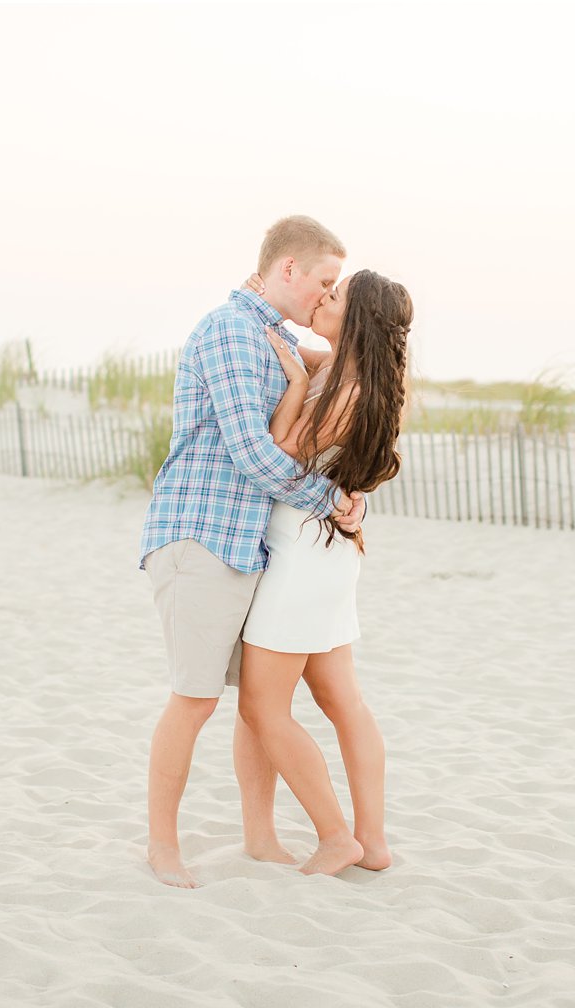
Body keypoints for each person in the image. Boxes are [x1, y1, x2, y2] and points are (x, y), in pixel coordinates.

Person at [138, 215, 367, 889]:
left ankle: (260, 836)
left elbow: (354, 363)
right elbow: (251, 453)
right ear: (288, 270)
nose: (325, 297)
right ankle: (162, 846)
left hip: (244, 544)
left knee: (244, 701)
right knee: (193, 699)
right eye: (322, 282)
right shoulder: (232, 331)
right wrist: (330, 499)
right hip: (199, 535)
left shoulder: (268, 333)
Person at [237, 269, 413, 876]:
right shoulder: (345, 367)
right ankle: (372, 840)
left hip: (303, 559)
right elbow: (288, 339)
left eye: (334, 295)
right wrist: (264, 305)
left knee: (262, 706)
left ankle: (338, 836)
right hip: (325, 551)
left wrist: (291, 383)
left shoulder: (347, 390)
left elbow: (283, 448)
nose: (324, 298)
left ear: (356, 319)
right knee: (342, 701)